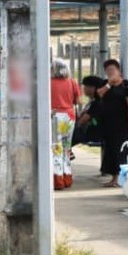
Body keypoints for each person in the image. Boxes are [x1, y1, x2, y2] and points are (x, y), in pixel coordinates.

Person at [96, 59, 128, 188]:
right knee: (110, 151)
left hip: (123, 124)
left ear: (119, 71)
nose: (110, 73)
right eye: (108, 71)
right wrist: (109, 84)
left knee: (121, 151)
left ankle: (122, 178)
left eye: (112, 70)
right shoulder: (104, 85)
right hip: (109, 124)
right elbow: (99, 95)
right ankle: (114, 178)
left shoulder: (127, 86)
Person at [50, 59, 82, 190]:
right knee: (66, 147)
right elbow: (78, 100)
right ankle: (67, 176)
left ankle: (58, 179)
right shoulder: (72, 82)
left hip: (55, 116)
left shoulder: (49, 83)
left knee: (56, 147)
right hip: (69, 116)